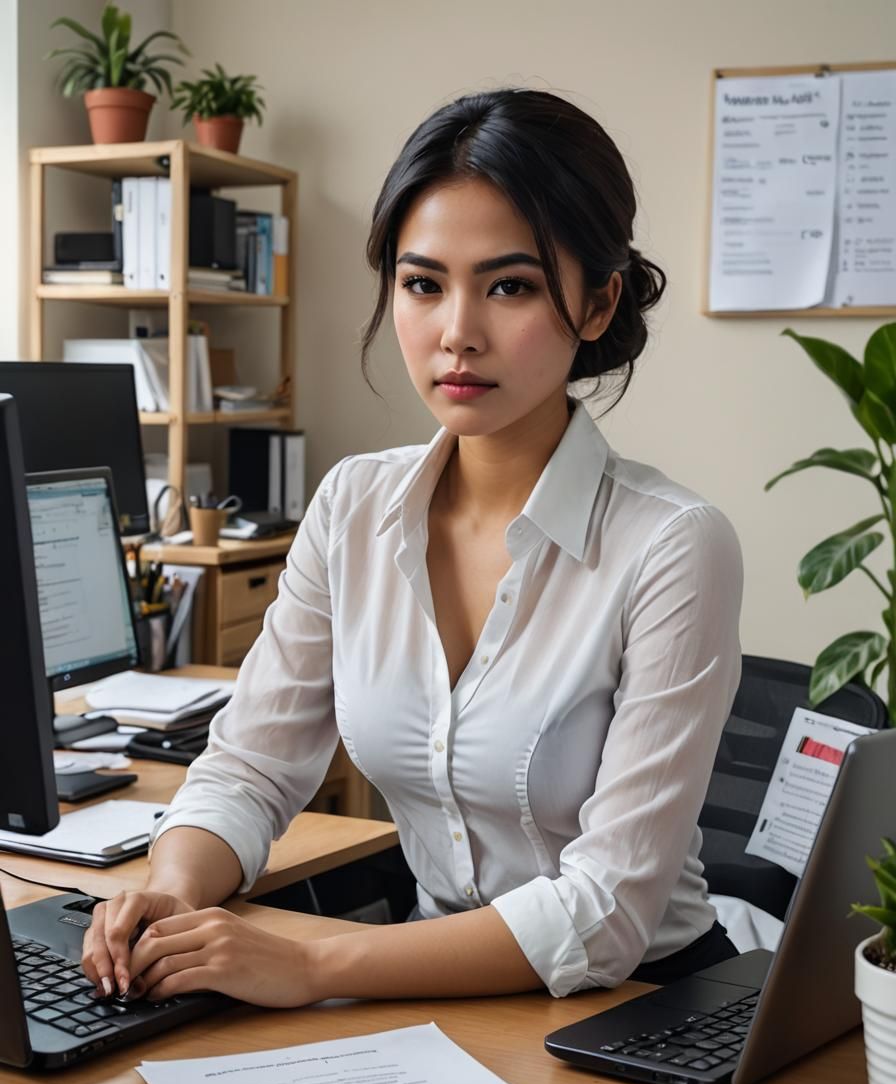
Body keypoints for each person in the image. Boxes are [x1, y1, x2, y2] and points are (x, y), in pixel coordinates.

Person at [83, 88, 743, 1008]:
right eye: (423, 284)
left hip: (645, 1002)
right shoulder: (353, 505)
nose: (457, 333)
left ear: (598, 303)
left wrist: (310, 964)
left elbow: (607, 912)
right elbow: (250, 767)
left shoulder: (673, 544)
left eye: (509, 286)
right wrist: (172, 892)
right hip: (435, 992)